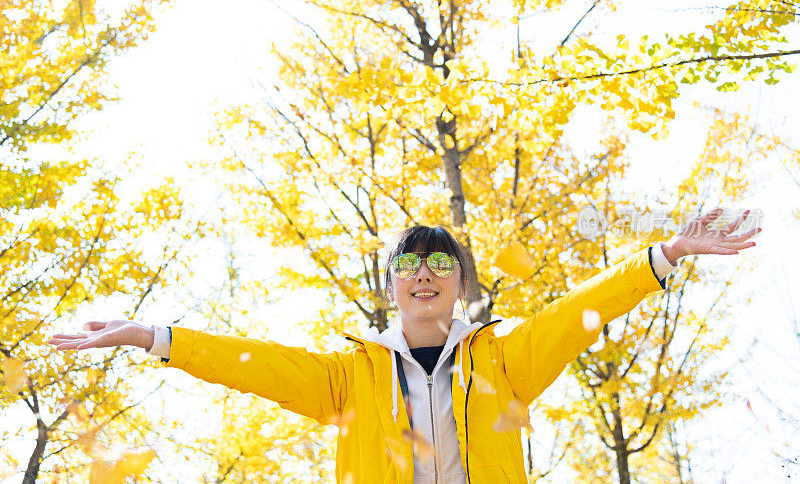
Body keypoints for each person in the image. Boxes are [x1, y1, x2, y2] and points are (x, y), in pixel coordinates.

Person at [48, 207, 761, 483]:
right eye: (410, 265)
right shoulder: (348, 379)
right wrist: (151, 335)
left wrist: (664, 255)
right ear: (392, 285)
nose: (425, 276)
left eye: (441, 264)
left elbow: (580, 314)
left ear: (462, 285)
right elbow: (251, 364)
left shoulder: (504, 361)